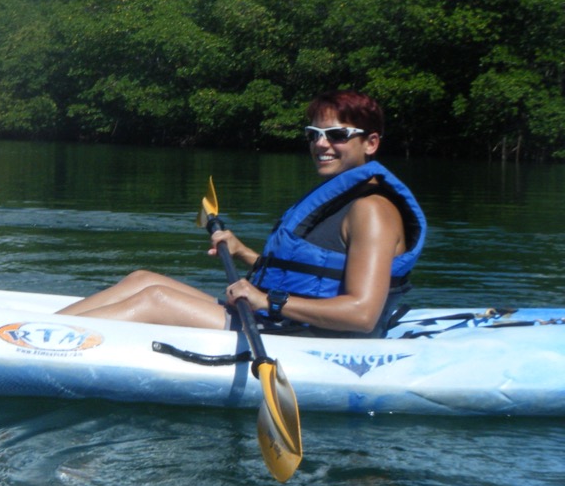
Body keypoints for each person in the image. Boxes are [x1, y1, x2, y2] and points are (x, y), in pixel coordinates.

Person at [57, 90, 426, 338]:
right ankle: (35, 330)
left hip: (305, 335)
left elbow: (362, 314)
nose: (321, 143)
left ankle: (36, 342)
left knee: (156, 299)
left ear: (371, 143)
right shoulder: (342, 196)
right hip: (277, 318)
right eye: (314, 133)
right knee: (142, 279)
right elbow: (316, 272)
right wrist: (243, 252)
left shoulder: (373, 211)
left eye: (337, 134)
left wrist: (270, 301)